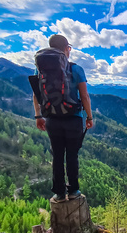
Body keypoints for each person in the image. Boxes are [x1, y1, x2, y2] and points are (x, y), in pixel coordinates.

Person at [32, 34, 93, 203]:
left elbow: (37, 95)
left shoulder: (41, 70)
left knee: (57, 156)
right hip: (73, 118)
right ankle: (73, 190)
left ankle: (59, 192)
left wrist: (38, 116)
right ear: (67, 49)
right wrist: (89, 117)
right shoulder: (76, 69)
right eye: (69, 48)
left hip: (51, 118)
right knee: (72, 155)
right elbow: (85, 96)